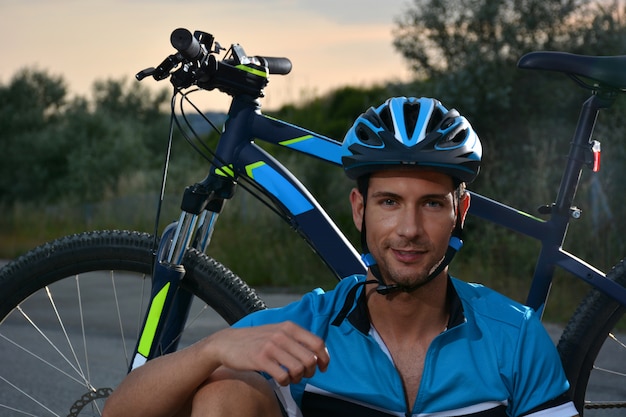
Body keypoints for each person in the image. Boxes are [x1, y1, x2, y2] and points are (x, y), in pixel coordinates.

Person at [103, 97, 579, 417]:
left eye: (432, 204)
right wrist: (212, 350)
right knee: (224, 391)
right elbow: (120, 410)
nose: (409, 230)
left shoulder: (513, 336)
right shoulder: (308, 325)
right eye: (389, 202)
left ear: (461, 211)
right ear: (359, 209)